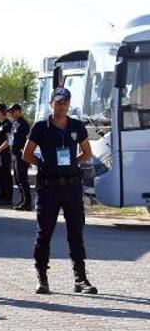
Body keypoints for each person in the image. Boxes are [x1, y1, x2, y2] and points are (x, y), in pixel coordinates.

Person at [23, 88, 98, 295]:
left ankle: (80, 278)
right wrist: (44, 165)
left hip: (72, 186)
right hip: (49, 187)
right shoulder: (40, 127)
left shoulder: (76, 126)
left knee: (76, 232)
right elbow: (26, 154)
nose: (61, 107)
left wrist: (73, 162)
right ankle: (42, 278)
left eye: (65, 103)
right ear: (51, 104)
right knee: (44, 232)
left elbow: (87, 152)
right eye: (58, 103)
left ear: (69, 105)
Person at [8, 104, 33, 211]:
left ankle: (28, 202)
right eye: (10, 112)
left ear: (18, 111)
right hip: (15, 155)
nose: (11, 114)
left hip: (22, 156)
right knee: (18, 179)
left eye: (13, 112)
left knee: (23, 178)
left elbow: (28, 140)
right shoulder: (16, 124)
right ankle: (23, 200)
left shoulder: (24, 124)